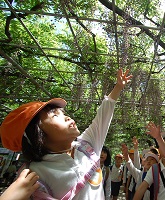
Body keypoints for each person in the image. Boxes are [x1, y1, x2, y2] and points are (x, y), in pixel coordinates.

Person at [0, 68, 132, 199]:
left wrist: (118, 88)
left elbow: (103, 117)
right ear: (36, 134)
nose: (67, 117)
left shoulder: (86, 146)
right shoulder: (34, 174)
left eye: (64, 113)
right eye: (55, 115)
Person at [133, 131, 165, 200]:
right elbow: (141, 189)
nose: (164, 145)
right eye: (162, 144)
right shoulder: (154, 169)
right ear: (159, 149)